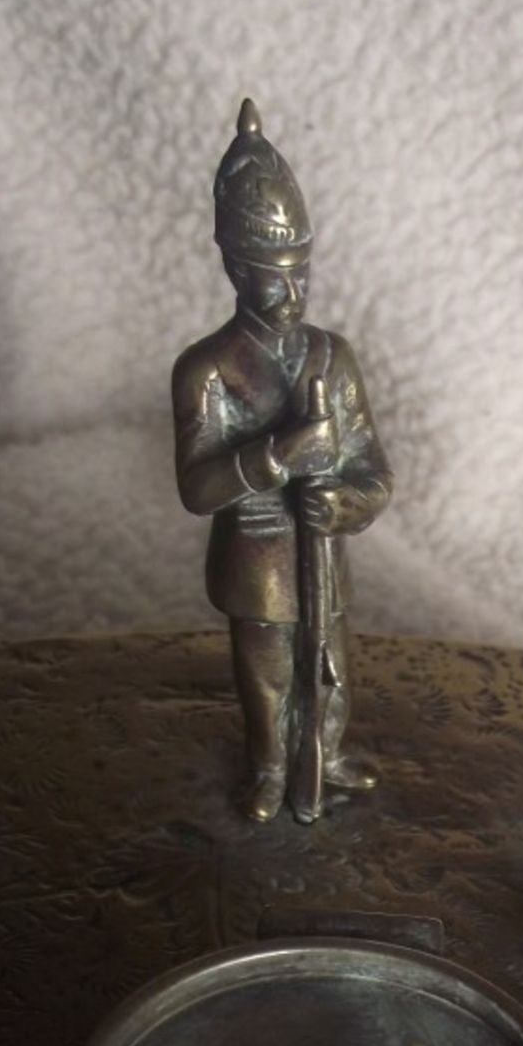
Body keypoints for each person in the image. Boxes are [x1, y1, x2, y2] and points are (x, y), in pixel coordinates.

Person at [172, 99, 392, 822]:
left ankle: (327, 754)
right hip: (256, 548)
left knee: (330, 669)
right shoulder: (207, 369)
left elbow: (372, 468)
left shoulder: (333, 356)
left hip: (321, 546)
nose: (294, 293)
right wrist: (279, 455)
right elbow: (199, 487)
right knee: (266, 676)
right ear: (237, 268)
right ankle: (269, 766)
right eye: (275, 276)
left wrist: (348, 502)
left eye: (302, 273)